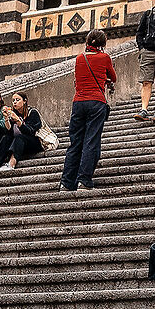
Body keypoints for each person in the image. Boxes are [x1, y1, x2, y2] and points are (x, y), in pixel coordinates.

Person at [61, 30, 116, 193]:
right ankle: (84, 179)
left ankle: (66, 182)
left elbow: (79, 79)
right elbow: (113, 77)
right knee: (91, 140)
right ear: (102, 43)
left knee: (75, 142)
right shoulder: (104, 58)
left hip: (78, 102)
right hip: (96, 102)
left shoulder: (79, 58)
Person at [0, 90, 44, 173]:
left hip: (34, 143)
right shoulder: (14, 114)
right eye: (13, 100)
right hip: (19, 145)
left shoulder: (32, 112)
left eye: (17, 100)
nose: (15, 102)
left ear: (25, 101)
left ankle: (11, 164)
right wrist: (6, 119)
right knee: (6, 137)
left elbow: (30, 132)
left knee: (20, 137)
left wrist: (18, 121)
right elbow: (9, 132)